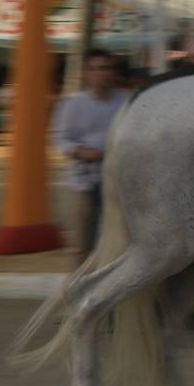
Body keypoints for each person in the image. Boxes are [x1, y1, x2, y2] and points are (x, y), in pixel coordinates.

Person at [52, 49, 129, 262]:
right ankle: (78, 292)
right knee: (80, 247)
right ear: (86, 73)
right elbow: (61, 140)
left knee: (117, 246)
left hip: (118, 184)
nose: (101, 73)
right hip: (83, 183)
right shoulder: (73, 104)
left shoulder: (125, 101)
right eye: (96, 69)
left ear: (114, 72)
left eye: (106, 68)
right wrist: (81, 151)